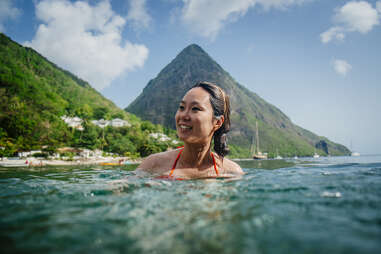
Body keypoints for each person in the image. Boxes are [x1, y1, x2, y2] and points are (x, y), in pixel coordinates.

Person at [136, 81, 244, 180]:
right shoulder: (153, 164)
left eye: (195, 109)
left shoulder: (231, 172)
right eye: (182, 107)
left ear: (217, 122)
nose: (183, 116)